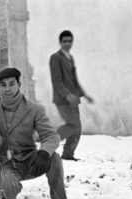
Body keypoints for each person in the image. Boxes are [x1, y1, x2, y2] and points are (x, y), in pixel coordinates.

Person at [0, 68, 68, 199]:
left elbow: (51, 135)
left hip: (31, 160)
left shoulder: (35, 109)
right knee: (7, 185)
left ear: (19, 84)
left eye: (11, 84)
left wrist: (43, 153)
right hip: (7, 163)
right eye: (3, 85)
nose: (7, 88)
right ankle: (8, 198)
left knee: (54, 158)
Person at [49, 30, 94, 161]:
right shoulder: (55, 58)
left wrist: (84, 95)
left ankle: (68, 154)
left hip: (74, 100)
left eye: (70, 41)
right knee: (73, 126)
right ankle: (48, 143)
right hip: (63, 100)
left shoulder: (70, 58)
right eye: (65, 41)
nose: (67, 44)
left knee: (77, 128)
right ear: (60, 42)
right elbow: (56, 80)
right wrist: (68, 95)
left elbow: (74, 80)